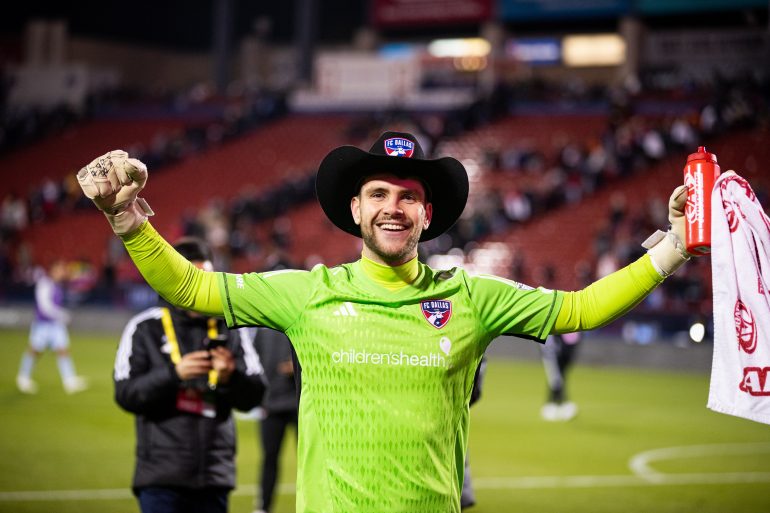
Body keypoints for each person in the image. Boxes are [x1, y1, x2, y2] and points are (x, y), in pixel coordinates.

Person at [77, 135, 693, 513]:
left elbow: (580, 308)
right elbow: (189, 285)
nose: (391, 208)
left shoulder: (472, 296)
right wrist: (127, 218)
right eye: (378, 194)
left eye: (406, 197)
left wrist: (674, 248)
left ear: (426, 213)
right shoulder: (306, 295)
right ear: (355, 209)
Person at [113, 237, 266, 513]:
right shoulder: (145, 327)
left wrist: (232, 377)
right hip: (161, 477)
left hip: (214, 476)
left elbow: (256, 395)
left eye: (206, 278)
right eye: (193, 278)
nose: (201, 287)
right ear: (175, 279)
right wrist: (174, 374)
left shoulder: (230, 327)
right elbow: (126, 394)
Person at [16, 259, 88, 394]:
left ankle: (69, 381)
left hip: (55, 325)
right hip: (43, 325)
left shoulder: (57, 285)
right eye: (60, 269)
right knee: (35, 350)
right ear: (53, 270)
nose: (63, 272)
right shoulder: (44, 284)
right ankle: (23, 377)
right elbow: (45, 307)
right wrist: (62, 315)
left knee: (63, 350)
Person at [252, 327, 299, 513]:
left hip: (298, 403)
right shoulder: (263, 331)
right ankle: (263, 507)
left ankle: (314, 505)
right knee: (269, 458)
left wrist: (296, 367)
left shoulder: (299, 324)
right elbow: (255, 363)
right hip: (270, 404)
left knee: (307, 458)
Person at [540, 332, 581, 421]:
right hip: (551, 346)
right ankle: (557, 404)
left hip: (566, 343)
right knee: (555, 376)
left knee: (560, 375)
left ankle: (555, 404)